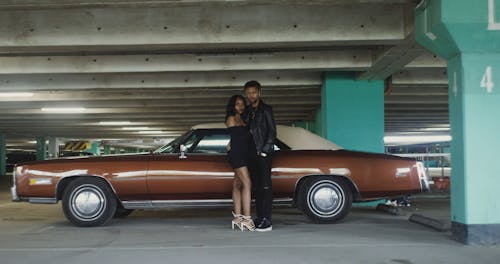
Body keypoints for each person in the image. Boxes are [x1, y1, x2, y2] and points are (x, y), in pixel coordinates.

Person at [243, 80, 276, 232]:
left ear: (259, 93)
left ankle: (267, 220)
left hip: (263, 154)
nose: (251, 95)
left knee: (265, 187)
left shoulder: (266, 109)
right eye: (249, 93)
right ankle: (259, 217)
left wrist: (264, 151)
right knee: (256, 187)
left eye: (254, 92)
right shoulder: (248, 111)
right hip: (251, 155)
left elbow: (272, 132)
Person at [225, 94, 255, 231]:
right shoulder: (231, 118)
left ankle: (237, 218)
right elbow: (236, 137)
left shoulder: (244, 118)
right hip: (237, 154)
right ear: (233, 105)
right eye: (237, 104)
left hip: (244, 153)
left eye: (242, 104)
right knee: (247, 183)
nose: (240, 106)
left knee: (237, 184)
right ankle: (247, 219)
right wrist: (231, 144)